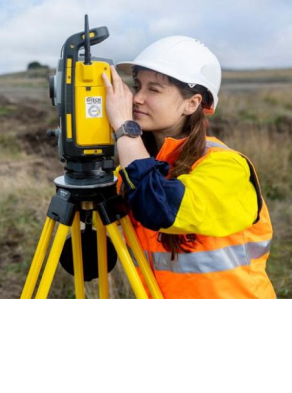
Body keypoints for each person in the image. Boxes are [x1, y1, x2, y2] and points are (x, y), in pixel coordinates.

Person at [102, 36, 276, 299]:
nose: (137, 98)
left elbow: (158, 206)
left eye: (154, 89)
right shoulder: (133, 171)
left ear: (192, 103)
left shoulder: (227, 168)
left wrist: (125, 129)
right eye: (137, 86)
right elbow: (95, 260)